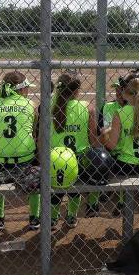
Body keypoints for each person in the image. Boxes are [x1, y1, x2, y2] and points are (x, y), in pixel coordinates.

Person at [39, 73, 98, 229]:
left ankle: (52, 218)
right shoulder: (87, 107)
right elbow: (93, 140)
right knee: (74, 186)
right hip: (79, 161)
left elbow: (41, 139)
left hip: (54, 160)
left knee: (55, 189)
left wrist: (40, 159)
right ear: (77, 91)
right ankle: (71, 215)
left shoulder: (47, 106)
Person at [104, 74, 139, 220]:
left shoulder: (120, 113)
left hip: (125, 166)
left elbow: (112, 145)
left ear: (125, 92)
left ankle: (121, 202)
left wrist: (104, 135)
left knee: (105, 157)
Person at [0, 71, 37, 232]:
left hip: (0, 161)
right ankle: (35, 216)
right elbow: (33, 130)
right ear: (21, 89)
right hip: (25, 159)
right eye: (26, 88)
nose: (28, 91)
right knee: (37, 173)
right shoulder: (30, 104)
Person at [86, 76, 126, 217]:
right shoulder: (108, 107)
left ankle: (121, 202)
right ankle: (93, 204)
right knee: (97, 159)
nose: (118, 93)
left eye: (121, 89)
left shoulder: (136, 108)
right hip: (109, 149)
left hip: (126, 152)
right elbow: (100, 134)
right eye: (117, 89)